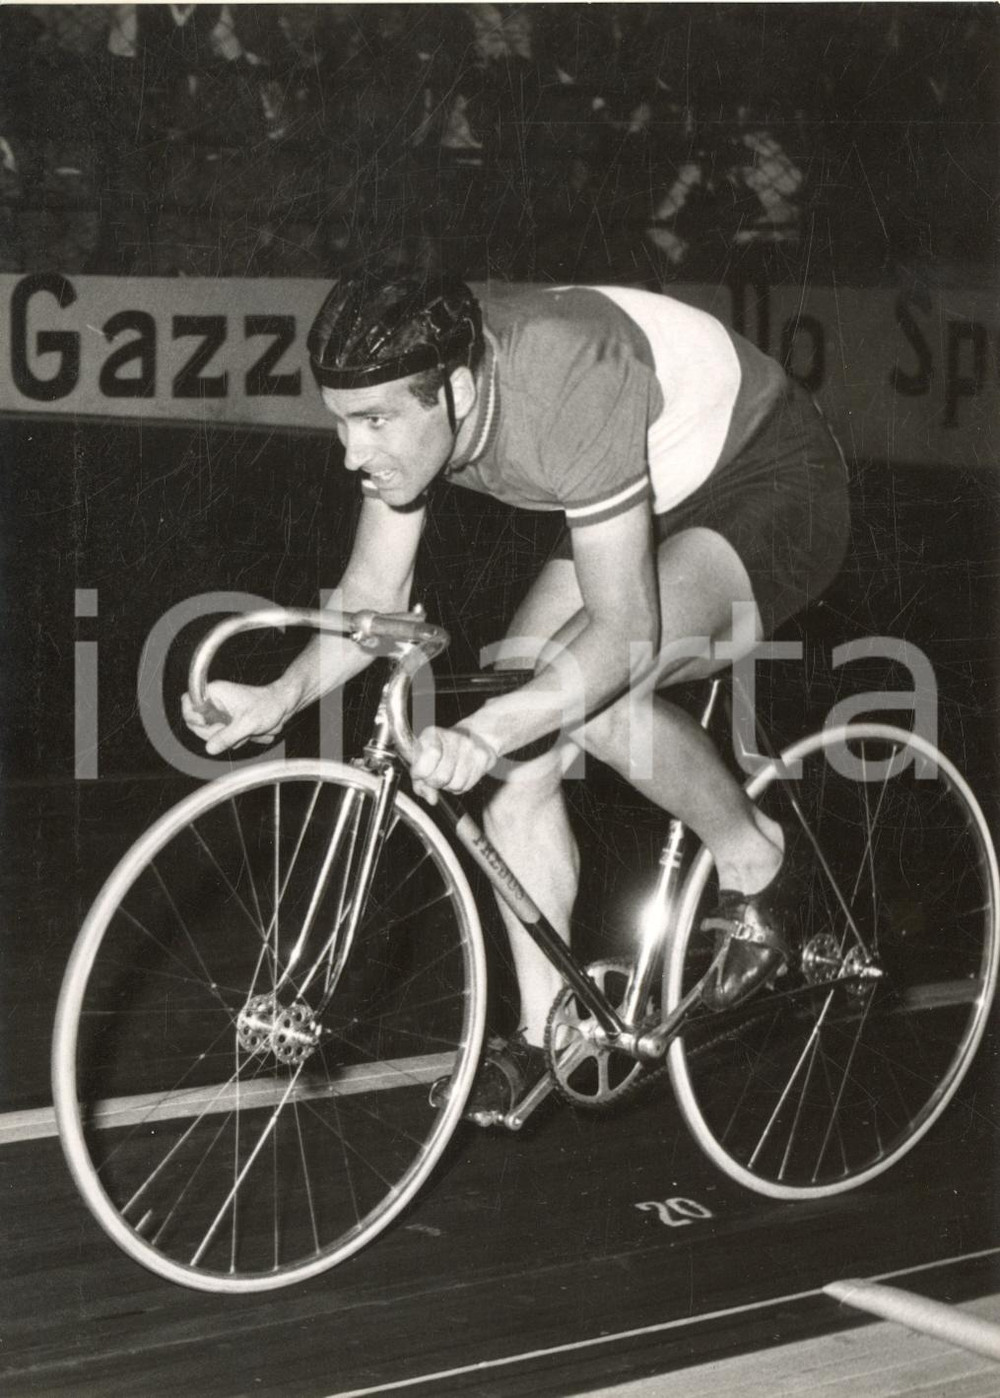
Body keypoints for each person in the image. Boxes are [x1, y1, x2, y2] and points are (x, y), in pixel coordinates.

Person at [183, 269, 850, 1119]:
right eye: (341, 421)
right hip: (637, 484)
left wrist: (488, 731)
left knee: (591, 697)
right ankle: (549, 1036)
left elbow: (621, 633)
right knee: (524, 755)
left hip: (769, 475)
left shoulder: (567, 379)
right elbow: (372, 600)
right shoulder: (426, 392)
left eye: (377, 421)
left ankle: (757, 861)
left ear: (458, 392)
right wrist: (278, 697)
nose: (353, 452)